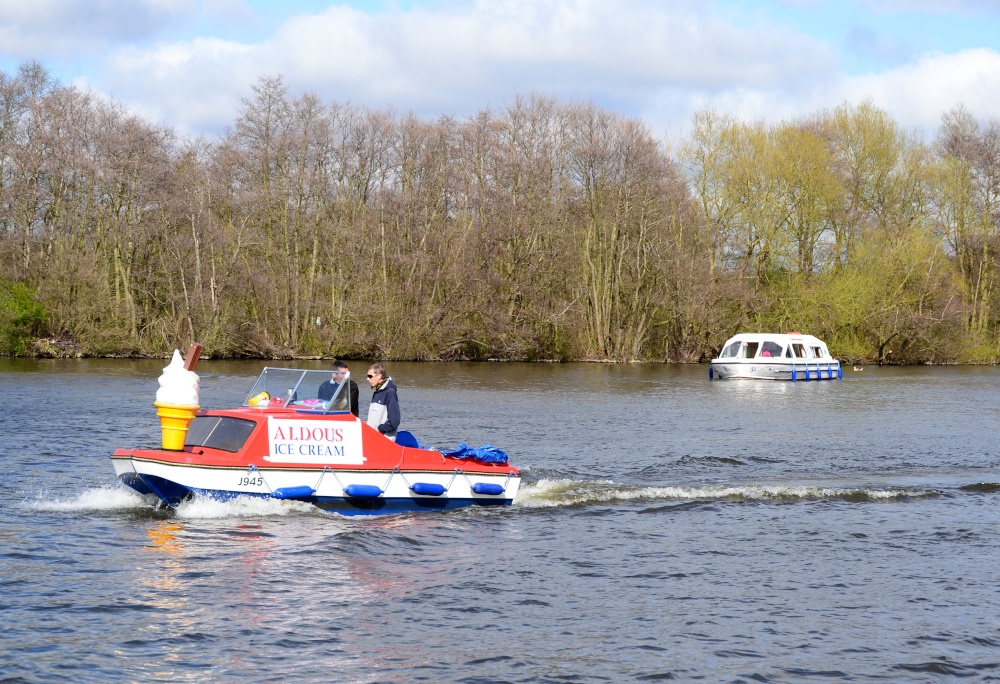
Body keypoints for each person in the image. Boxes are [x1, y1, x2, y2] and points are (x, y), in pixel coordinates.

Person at [365, 363, 400, 441]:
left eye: (370, 376)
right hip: (372, 439)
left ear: (379, 376)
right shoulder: (377, 391)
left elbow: (394, 421)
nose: (367, 379)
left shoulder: (390, 392)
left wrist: (380, 429)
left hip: (383, 442)